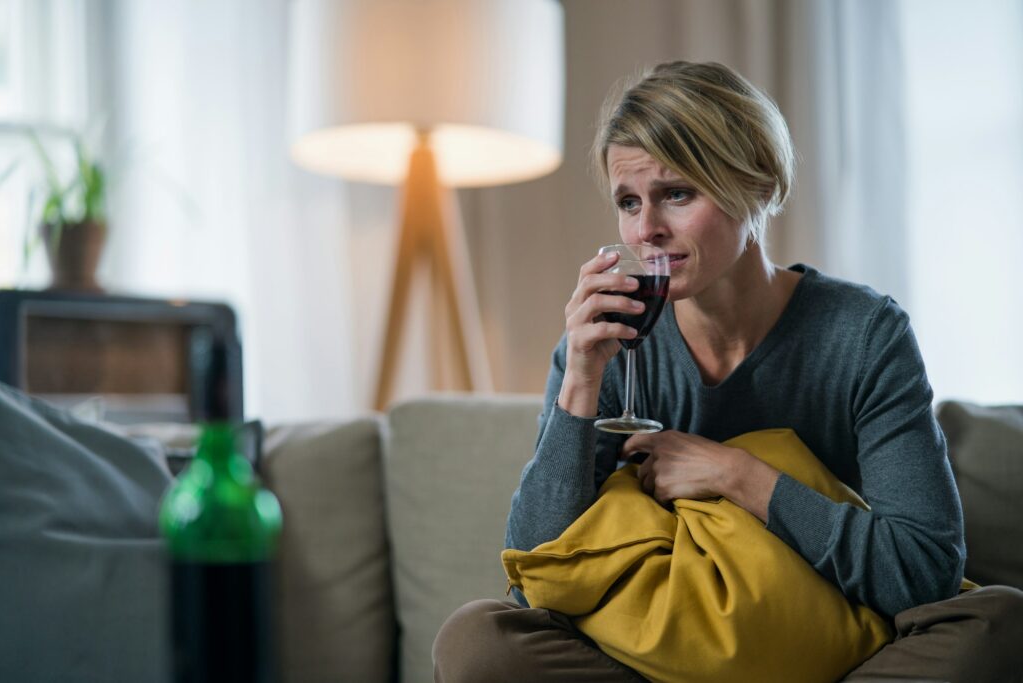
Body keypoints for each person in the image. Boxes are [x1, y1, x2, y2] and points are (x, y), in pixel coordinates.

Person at [433, 61, 1023, 683]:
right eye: (629, 202)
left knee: (1001, 624)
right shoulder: (606, 342)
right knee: (479, 641)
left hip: (833, 654)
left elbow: (921, 573)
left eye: (678, 194)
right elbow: (533, 576)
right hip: (655, 657)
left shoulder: (863, 333)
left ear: (760, 185)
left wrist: (740, 476)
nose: (647, 229)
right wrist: (579, 382)